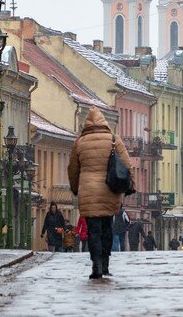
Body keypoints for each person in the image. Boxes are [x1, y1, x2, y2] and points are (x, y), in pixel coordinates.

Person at [68, 108, 134, 279]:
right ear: (104, 122)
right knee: (107, 228)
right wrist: (128, 185)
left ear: (87, 124)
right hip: (109, 190)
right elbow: (127, 164)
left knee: (93, 230)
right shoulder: (113, 139)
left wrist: (75, 188)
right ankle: (105, 263)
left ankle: (96, 264)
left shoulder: (80, 142)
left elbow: (73, 169)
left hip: (88, 191)